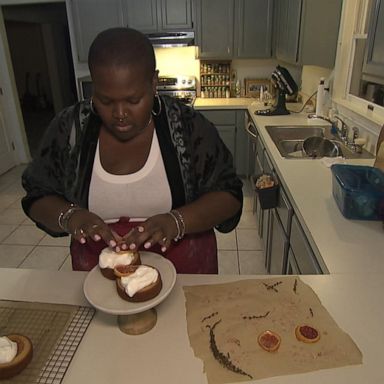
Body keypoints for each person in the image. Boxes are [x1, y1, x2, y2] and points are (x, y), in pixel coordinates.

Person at [21, 27, 243, 274]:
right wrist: (70, 217)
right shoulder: (69, 130)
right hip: (98, 279)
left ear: (154, 82)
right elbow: (37, 195)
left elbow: (229, 195)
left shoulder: (189, 128)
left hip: (186, 275)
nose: (119, 114)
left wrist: (176, 221)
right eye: (105, 101)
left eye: (134, 100)